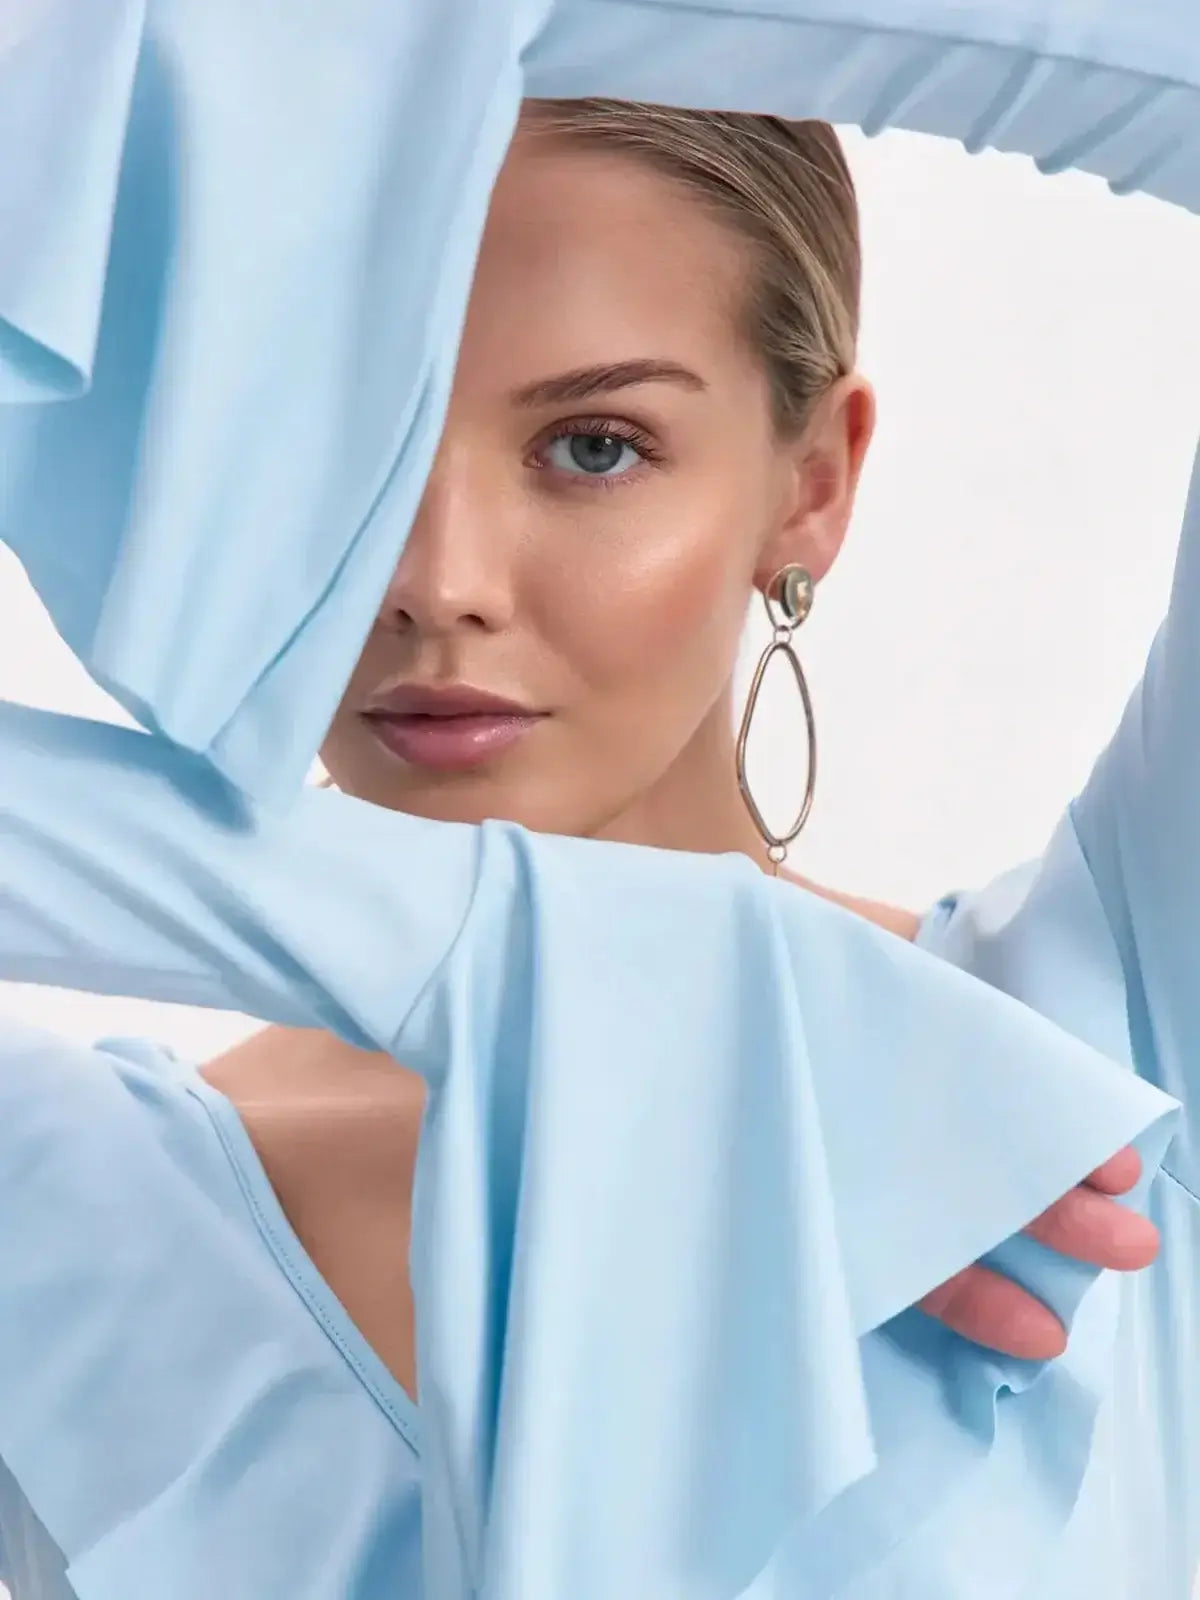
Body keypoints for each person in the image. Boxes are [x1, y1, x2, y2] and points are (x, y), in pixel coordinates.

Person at [0, 94, 1191, 1600]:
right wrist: (545, 955)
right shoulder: (68, 1196)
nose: (439, 583)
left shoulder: (1104, 1045)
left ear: (814, 481)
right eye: (326, 438)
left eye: (592, 445)